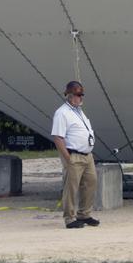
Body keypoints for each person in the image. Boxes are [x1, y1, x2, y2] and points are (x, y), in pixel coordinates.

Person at [51, 80, 100, 229]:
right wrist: (68, 158)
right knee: (71, 188)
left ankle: (84, 214)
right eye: (78, 95)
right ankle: (69, 218)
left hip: (87, 155)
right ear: (70, 95)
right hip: (73, 154)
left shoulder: (79, 111)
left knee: (90, 183)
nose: (81, 98)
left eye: (81, 95)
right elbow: (58, 137)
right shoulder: (62, 113)